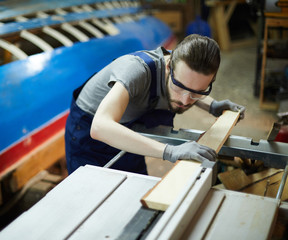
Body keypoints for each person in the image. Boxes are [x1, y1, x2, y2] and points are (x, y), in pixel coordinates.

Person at [64, 34, 245, 175]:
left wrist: (212, 105)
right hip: (88, 135)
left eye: (199, 92)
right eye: (179, 87)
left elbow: (188, 86)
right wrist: (170, 151)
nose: (184, 101)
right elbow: (100, 127)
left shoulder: (181, 70)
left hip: (128, 126)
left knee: (135, 191)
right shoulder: (135, 71)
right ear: (168, 67)